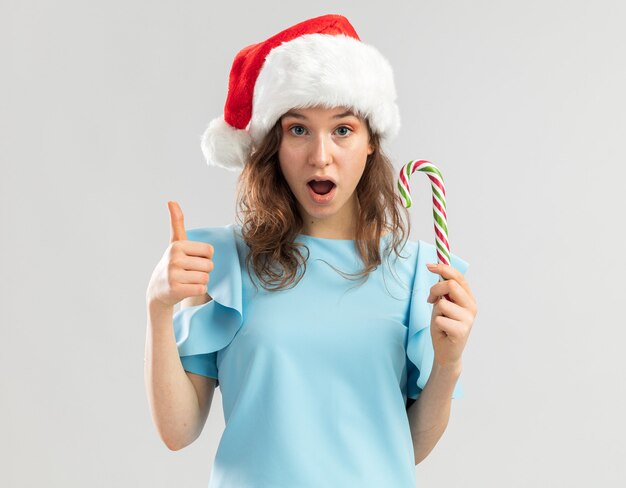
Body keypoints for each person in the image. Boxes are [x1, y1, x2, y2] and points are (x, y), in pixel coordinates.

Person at [144, 13, 478, 487]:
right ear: (273, 146)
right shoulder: (225, 265)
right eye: (298, 130)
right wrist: (159, 308)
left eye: (342, 130)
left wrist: (448, 365)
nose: (321, 155)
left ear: (369, 144)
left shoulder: (416, 274)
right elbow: (178, 431)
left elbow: (407, 448)